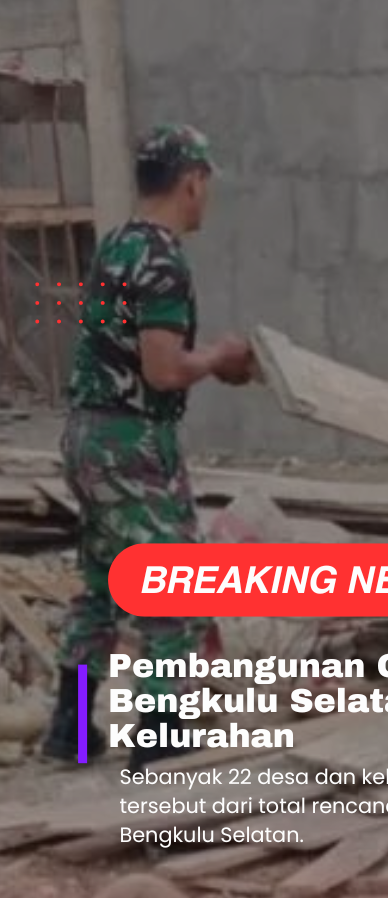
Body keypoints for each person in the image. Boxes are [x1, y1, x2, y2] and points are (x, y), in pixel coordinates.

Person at [41, 124, 256, 766]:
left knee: (102, 587)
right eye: (206, 184)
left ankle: (71, 731)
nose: (206, 197)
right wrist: (218, 357)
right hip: (132, 442)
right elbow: (162, 370)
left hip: (88, 435)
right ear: (192, 181)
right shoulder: (161, 261)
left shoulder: (117, 245)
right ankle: (162, 737)